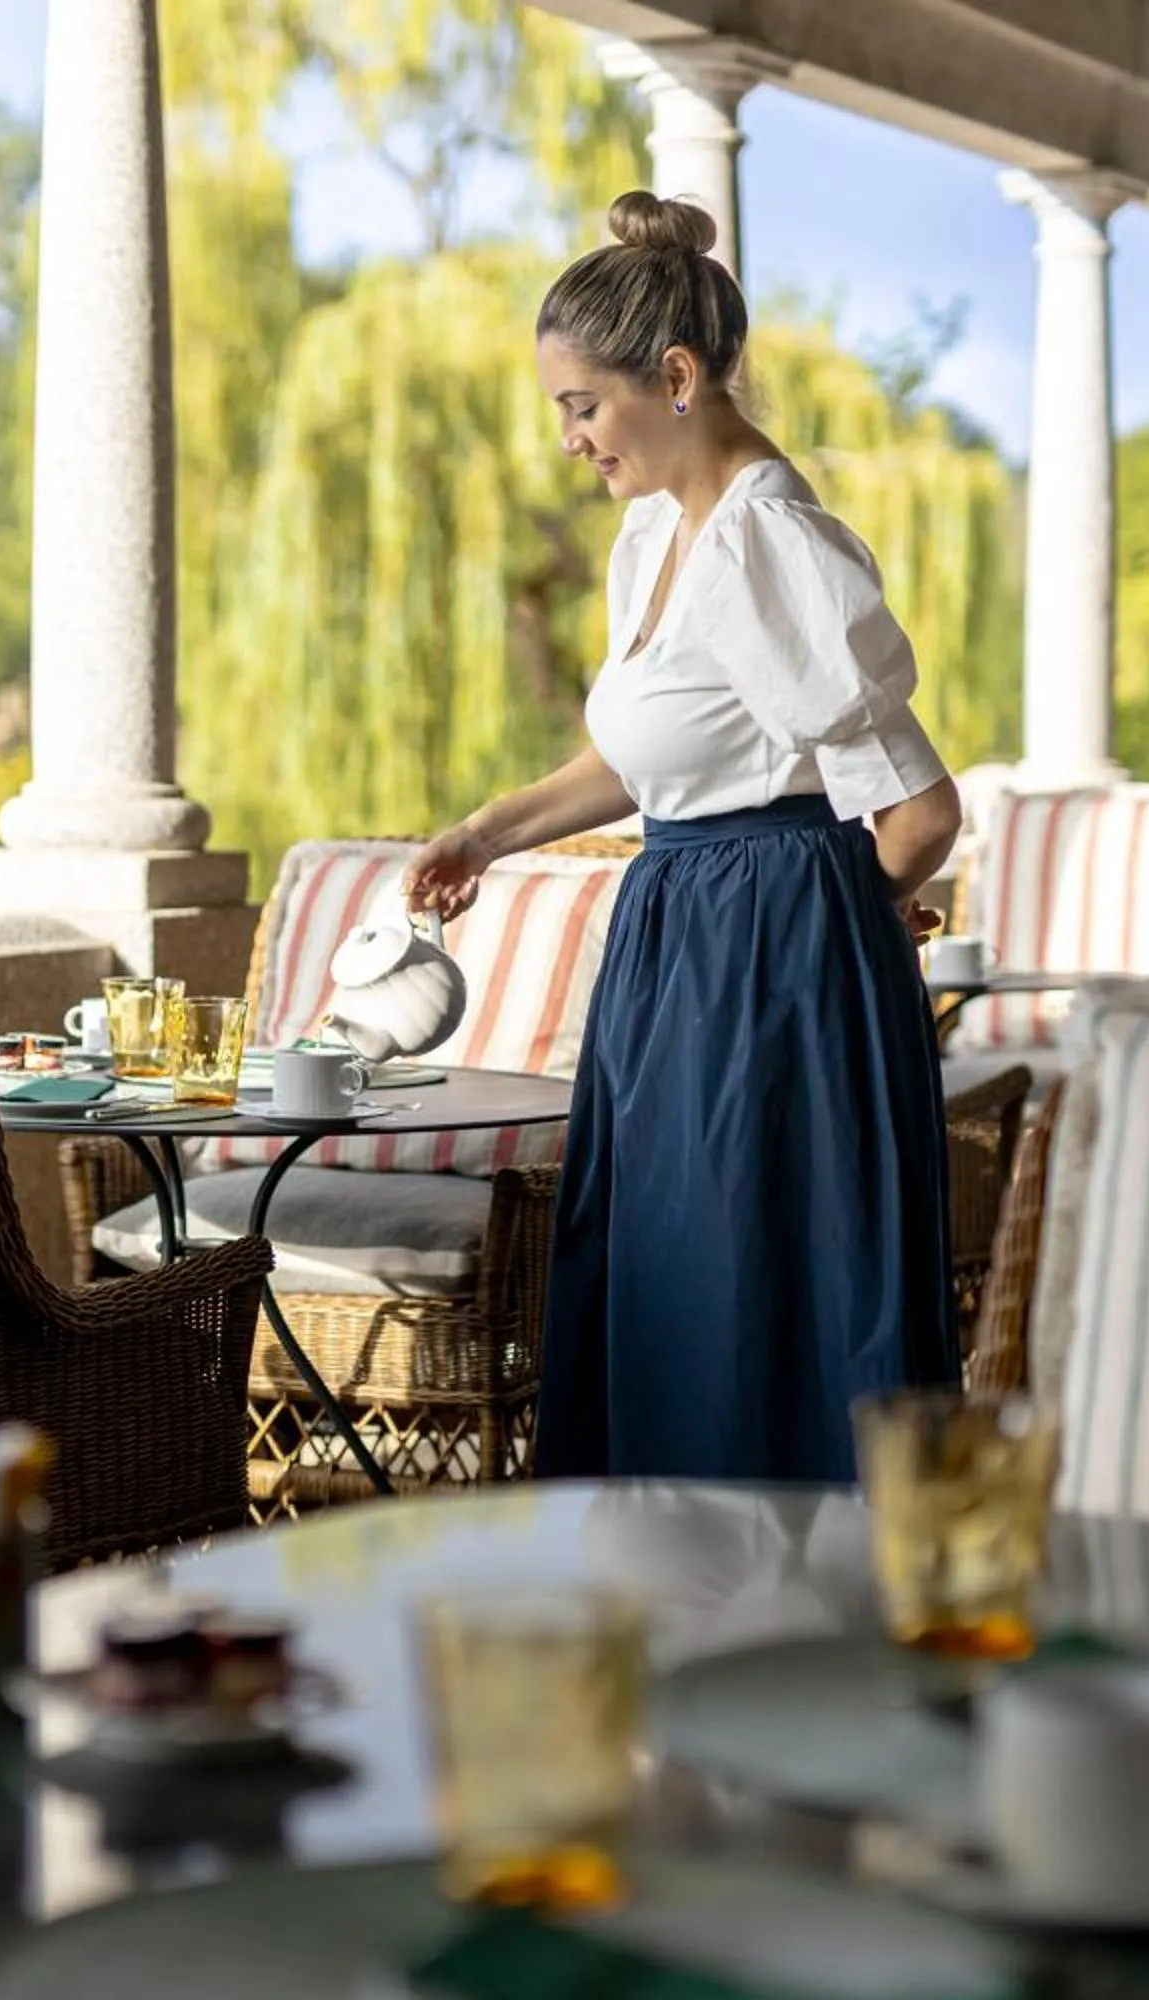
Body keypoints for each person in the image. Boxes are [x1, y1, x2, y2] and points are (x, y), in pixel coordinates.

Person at [402, 190, 965, 1484]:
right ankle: (664, 1584)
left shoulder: (769, 542)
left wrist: (831, 923)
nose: (568, 441)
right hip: (686, 948)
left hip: (769, 972)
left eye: (581, 407)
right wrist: (489, 833)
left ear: (674, 377)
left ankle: (789, 1587)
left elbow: (920, 813)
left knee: (752, 1304)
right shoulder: (658, 531)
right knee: (670, 1291)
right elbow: (651, 762)